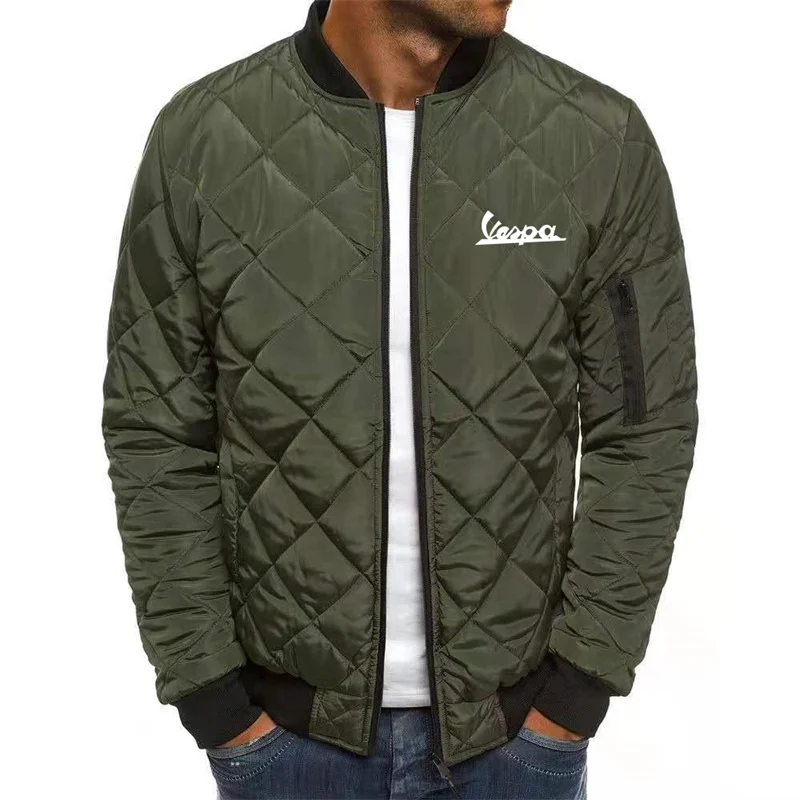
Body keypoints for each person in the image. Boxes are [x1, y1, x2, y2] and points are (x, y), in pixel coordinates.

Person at [102, 1, 698, 797]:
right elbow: (155, 432)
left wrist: (579, 687)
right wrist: (211, 695)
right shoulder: (204, 141)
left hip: (514, 744)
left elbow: (646, 428)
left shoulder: (597, 140)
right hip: (287, 746)